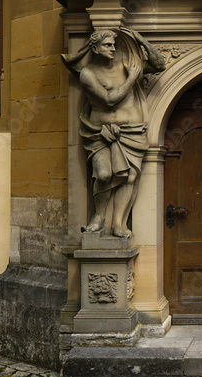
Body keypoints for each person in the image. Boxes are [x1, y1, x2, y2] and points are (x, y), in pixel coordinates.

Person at [63, 28, 165, 238]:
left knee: (129, 176)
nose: (112, 48)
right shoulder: (88, 74)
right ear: (95, 47)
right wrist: (131, 79)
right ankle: (99, 217)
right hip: (99, 132)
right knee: (103, 174)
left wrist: (142, 41)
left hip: (132, 131)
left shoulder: (124, 64)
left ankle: (118, 223)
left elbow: (159, 64)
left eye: (113, 44)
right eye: (107, 45)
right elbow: (109, 99)